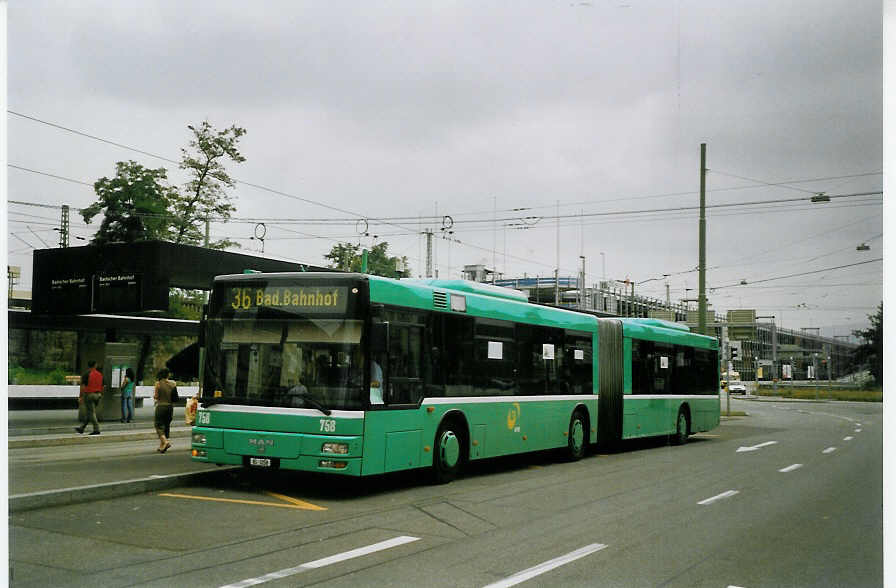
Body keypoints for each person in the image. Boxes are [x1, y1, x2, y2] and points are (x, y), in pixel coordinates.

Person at [76, 360, 103, 435]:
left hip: (89, 395)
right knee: (90, 412)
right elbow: (104, 385)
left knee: (91, 412)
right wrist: (100, 393)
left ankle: (96, 429)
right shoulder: (100, 374)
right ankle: (82, 428)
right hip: (98, 395)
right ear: (95, 365)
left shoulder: (86, 374)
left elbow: (83, 386)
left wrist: (80, 396)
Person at [153, 368, 177, 453]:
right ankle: (162, 446)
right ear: (168, 375)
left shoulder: (158, 384)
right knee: (166, 425)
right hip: (170, 407)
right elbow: (175, 396)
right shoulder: (173, 383)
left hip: (161, 406)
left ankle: (165, 442)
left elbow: (156, 396)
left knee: (158, 425)